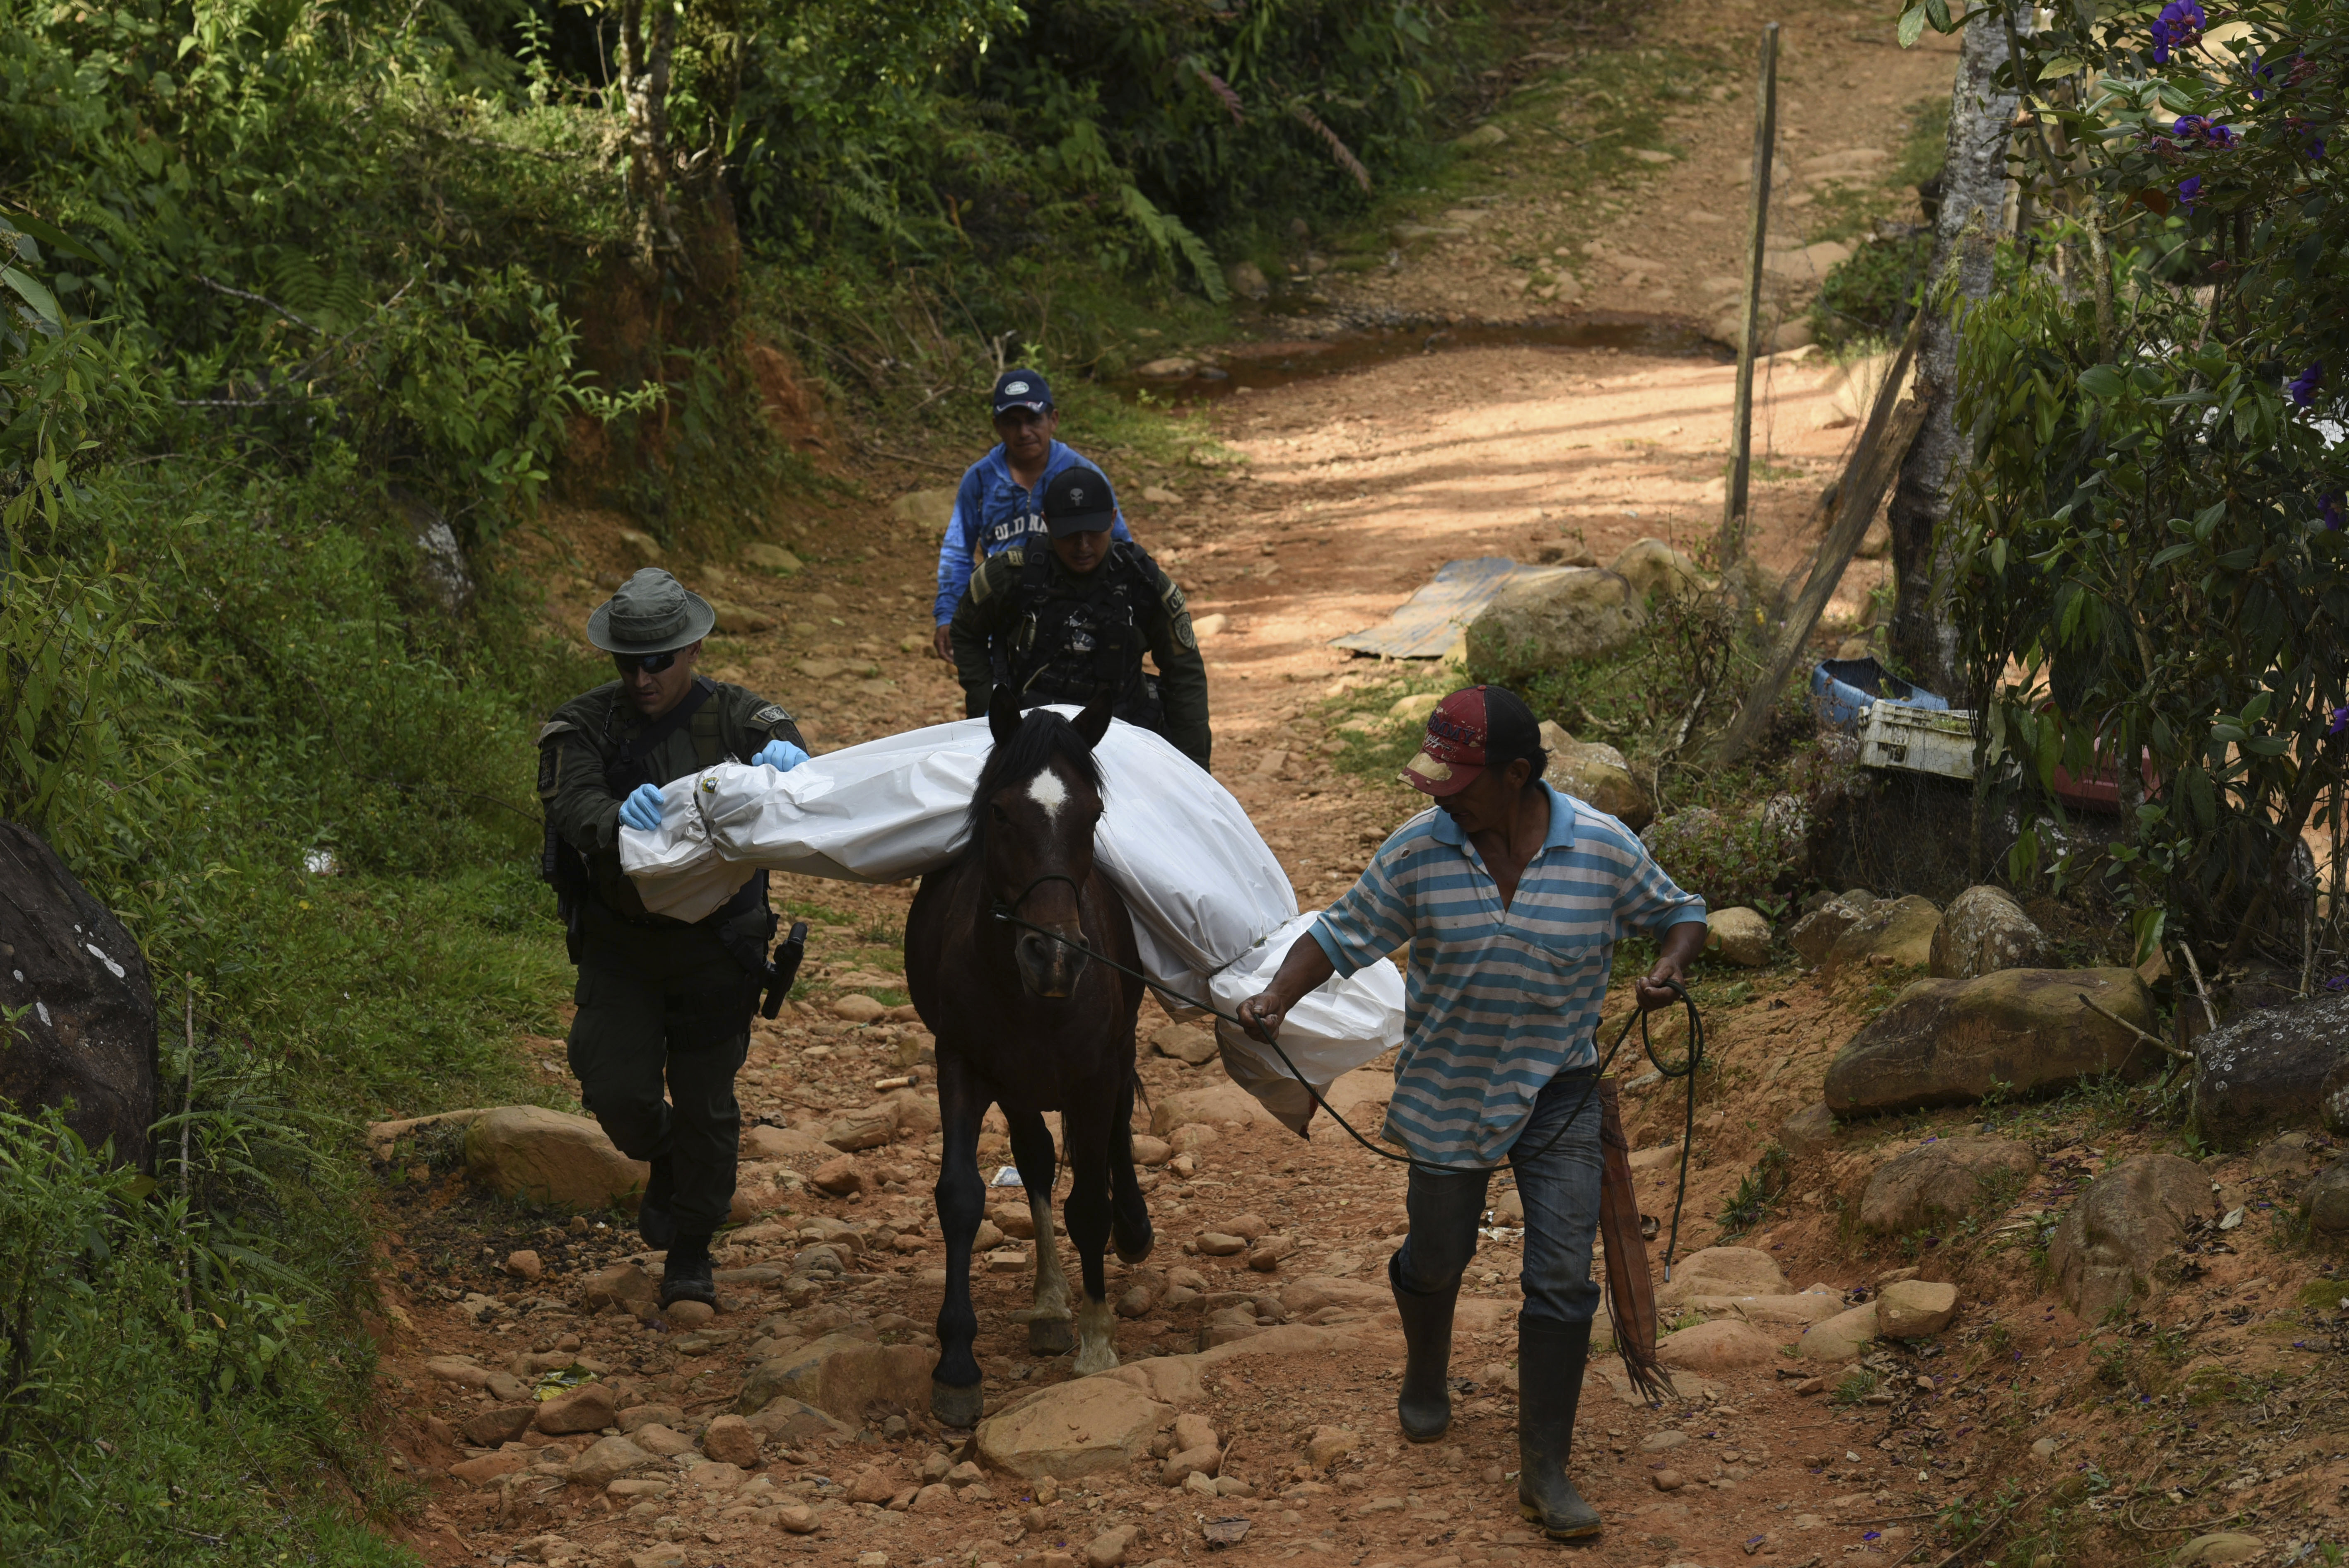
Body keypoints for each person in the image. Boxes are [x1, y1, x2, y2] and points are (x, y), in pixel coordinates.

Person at [1235, 686, 1707, 1543]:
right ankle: (1426, 1367)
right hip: (1449, 1084)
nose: (1438, 795)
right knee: (1437, 1254)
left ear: (1517, 774)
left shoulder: (1600, 847)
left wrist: (1669, 968)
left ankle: (1545, 1472)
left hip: (1558, 1092)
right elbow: (1339, 936)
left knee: (1561, 1279)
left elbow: (1680, 914)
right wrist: (1274, 995)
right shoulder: (1418, 852)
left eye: (1457, 779)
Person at [537, 568, 813, 1310]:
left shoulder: (738, 719)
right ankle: (661, 1155)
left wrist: (789, 762)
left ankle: (692, 1248)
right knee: (614, 1089)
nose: (642, 675)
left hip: (716, 947)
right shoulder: (584, 724)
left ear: (693, 648)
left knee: (707, 1104)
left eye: (658, 659)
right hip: (622, 946)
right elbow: (573, 802)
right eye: (628, 660)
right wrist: (619, 820)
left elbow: (792, 753)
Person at [949, 466, 1212, 769]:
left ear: (1112, 520)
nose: (1083, 545)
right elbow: (966, 634)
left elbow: (1185, 672)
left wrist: (1195, 769)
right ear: (1047, 523)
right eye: (1070, 533)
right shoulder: (1011, 576)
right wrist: (990, 713)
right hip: (1030, 736)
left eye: (1093, 531)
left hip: (1124, 732)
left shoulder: (1143, 583)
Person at [929, 368, 1133, 661]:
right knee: (1000, 706)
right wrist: (948, 614)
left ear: (1053, 420)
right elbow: (957, 551)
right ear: (996, 426)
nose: (1024, 432)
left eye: (1033, 420)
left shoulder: (1082, 475)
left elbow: (1120, 547)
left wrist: (1121, 613)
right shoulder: (980, 479)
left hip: (1077, 623)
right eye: (1012, 423)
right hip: (1001, 622)